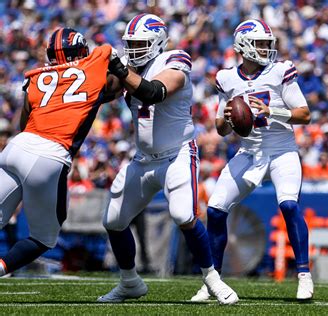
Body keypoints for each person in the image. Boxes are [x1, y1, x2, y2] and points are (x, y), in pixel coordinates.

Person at [100, 14, 238, 304]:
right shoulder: (132, 67)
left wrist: (121, 70)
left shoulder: (175, 60)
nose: (134, 49)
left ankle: (212, 279)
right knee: (113, 220)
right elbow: (103, 92)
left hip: (176, 155)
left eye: (140, 43)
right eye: (131, 44)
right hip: (143, 158)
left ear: (157, 42)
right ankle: (129, 282)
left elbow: (154, 92)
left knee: (183, 215)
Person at [190, 19, 313, 301]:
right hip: (249, 152)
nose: (266, 49)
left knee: (289, 205)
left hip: (282, 150)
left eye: (267, 44)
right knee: (216, 209)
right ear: (244, 46)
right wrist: (230, 121)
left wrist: (272, 112)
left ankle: (304, 275)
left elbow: (305, 115)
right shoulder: (227, 78)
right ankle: (212, 281)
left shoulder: (281, 71)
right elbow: (221, 128)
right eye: (260, 43)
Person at [0, 28, 121, 277]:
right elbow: (116, 81)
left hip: (16, 147)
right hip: (49, 154)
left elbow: (25, 121)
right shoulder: (95, 63)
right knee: (44, 238)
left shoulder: (35, 76)